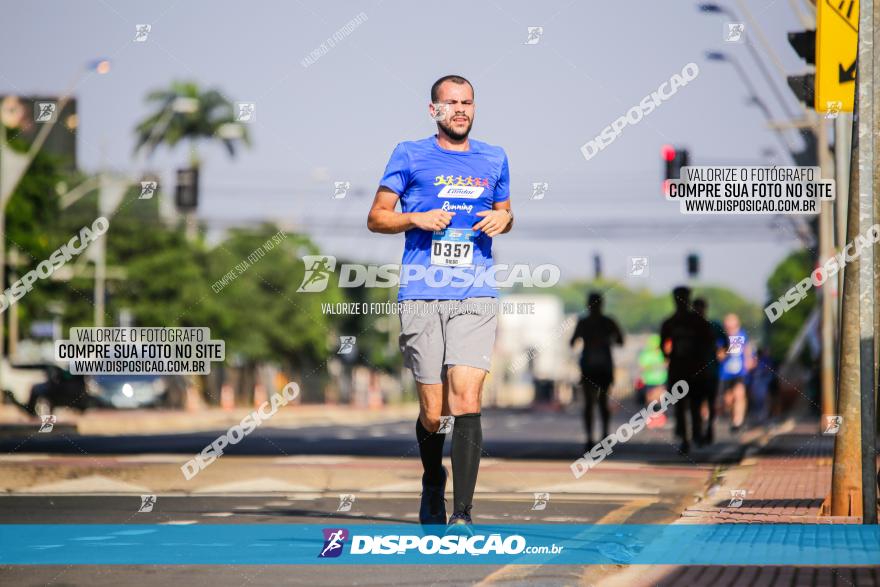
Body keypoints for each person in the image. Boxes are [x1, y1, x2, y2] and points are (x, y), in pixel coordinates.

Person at [367, 75, 513, 533]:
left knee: (466, 399)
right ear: (433, 109)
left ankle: (462, 513)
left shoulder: (495, 158)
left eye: (467, 102)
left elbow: (507, 213)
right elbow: (376, 217)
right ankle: (434, 479)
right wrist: (416, 217)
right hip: (422, 293)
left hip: (475, 292)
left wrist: (502, 219)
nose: (460, 110)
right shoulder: (408, 154)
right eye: (451, 103)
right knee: (435, 413)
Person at [659, 286, 715, 454]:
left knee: (695, 405)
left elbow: (709, 343)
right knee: (680, 406)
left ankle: (696, 433)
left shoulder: (698, 322)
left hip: (696, 370)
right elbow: (662, 344)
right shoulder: (670, 322)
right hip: (678, 370)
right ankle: (685, 438)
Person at [570, 292, 624, 450]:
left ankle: (601, 435)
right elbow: (572, 341)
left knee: (600, 403)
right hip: (590, 368)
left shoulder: (607, 323)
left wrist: (606, 340)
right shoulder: (586, 323)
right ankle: (592, 437)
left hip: (602, 368)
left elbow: (620, 340)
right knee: (591, 403)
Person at [692, 298, 727, 445]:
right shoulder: (691, 327)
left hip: (711, 372)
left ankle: (708, 430)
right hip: (694, 372)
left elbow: (727, 342)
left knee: (710, 403)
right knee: (696, 403)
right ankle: (697, 432)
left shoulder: (714, 325)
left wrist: (722, 354)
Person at [719, 313, 754, 433]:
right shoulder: (722, 338)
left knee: (739, 394)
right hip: (725, 373)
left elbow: (747, 349)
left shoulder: (742, 335)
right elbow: (719, 356)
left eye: (733, 326)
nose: (731, 329)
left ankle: (738, 421)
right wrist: (726, 350)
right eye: (728, 327)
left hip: (740, 372)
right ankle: (732, 416)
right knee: (728, 400)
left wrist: (749, 360)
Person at [637, 334, 668, 429]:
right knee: (652, 401)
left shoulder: (661, 354)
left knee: (659, 401)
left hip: (660, 380)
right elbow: (642, 367)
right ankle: (652, 419)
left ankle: (658, 419)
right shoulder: (647, 354)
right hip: (650, 381)